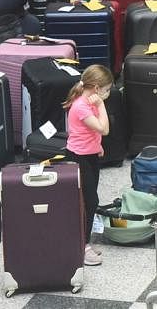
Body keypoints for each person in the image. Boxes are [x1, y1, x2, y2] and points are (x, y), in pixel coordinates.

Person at [62, 64, 113, 267]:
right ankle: (82, 247)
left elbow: (89, 133)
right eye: (107, 89)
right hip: (79, 158)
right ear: (96, 88)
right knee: (89, 202)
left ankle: (84, 242)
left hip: (90, 154)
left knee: (89, 200)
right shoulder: (82, 106)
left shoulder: (87, 101)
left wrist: (96, 146)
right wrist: (101, 106)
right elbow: (103, 129)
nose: (108, 93)